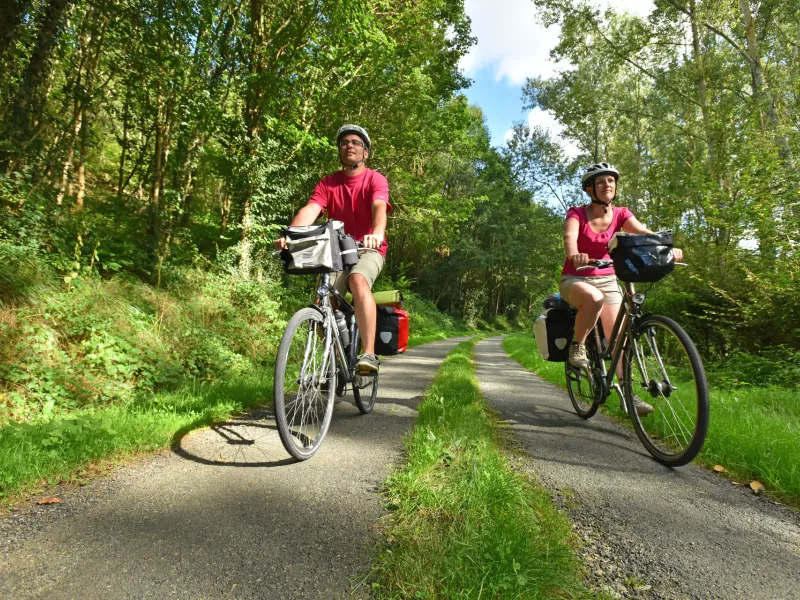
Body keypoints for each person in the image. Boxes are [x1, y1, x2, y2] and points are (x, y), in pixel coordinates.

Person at [560, 162, 683, 416]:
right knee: (593, 299)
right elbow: (569, 238)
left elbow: (643, 233)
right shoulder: (577, 214)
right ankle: (578, 346)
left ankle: (630, 396)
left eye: (611, 181)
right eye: (602, 181)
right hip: (576, 278)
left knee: (618, 339)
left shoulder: (621, 214)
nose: (608, 185)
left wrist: (665, 248)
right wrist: (574, 255)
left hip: (608, 278)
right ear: (590, 188)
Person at [275, 124, 390, 374]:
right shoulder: (328, 183)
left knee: (358, 280)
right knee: (321, 301)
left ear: (365, 152)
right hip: (336, 252)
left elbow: (379, 208)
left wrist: (377, 234)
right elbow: (311, 210)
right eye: (344, 142)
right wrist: (290, 235)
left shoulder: (375, 179)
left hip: (367, 248)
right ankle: (336, 360)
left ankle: (368, 354)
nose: (349, 145)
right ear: (339, 150)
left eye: (356, 142)